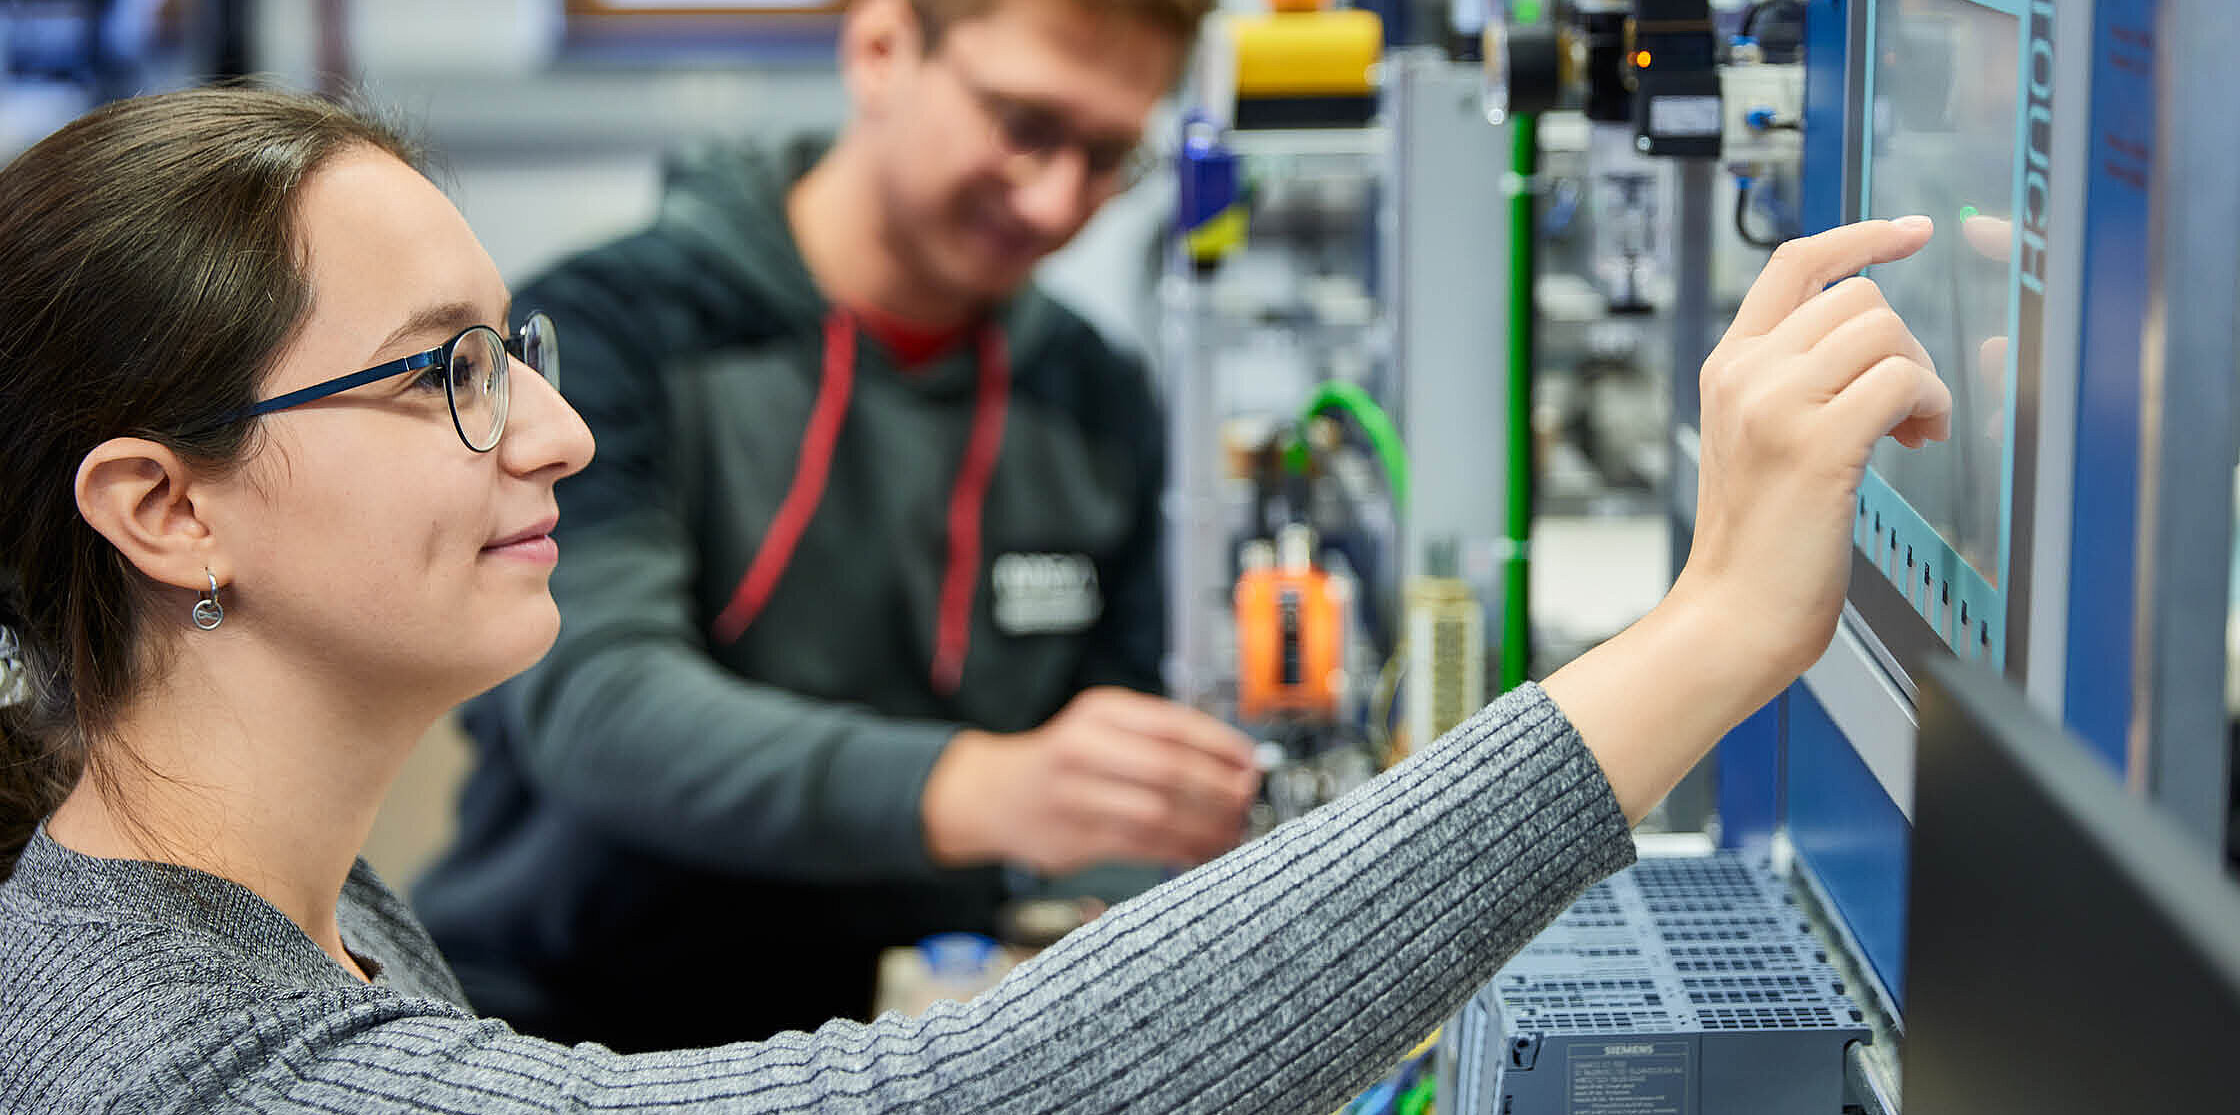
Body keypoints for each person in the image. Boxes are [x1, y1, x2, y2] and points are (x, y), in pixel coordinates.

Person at [0, 85, 1947, 1114]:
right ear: (165, 509)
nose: (561, 435)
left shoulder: (294, 905)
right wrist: (1709, 634)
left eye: (514, 346)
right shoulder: (175, 1054)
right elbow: (955, 1101)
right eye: (448, 375)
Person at [412, 0, 1261, 1046]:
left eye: (1109, 156)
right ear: (878, 49)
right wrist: (976, 787)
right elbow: (594, 704)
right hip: (576, 1031)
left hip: (927, 1033)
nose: (1059, 202)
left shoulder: (1093, 395)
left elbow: (1117, 760)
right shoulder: (609, 335)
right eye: (1026, 125)